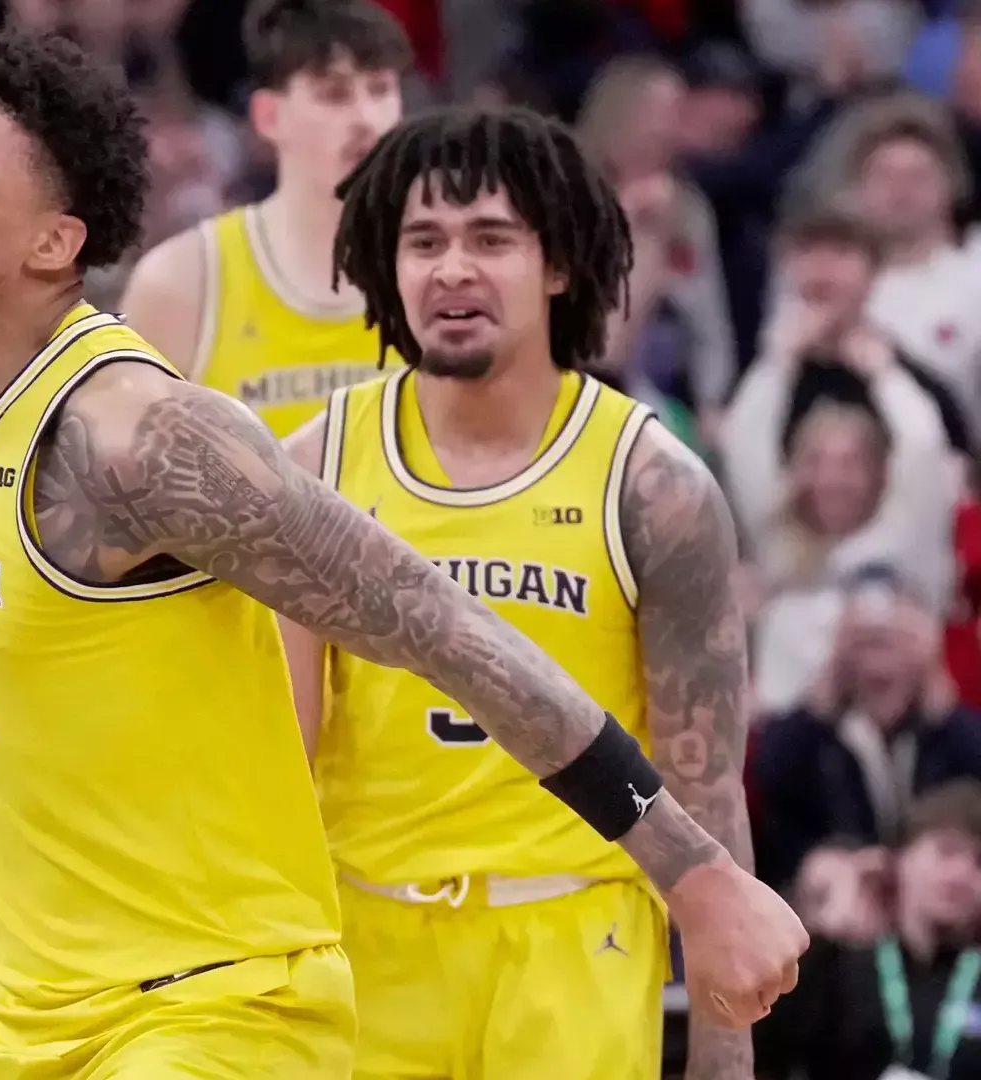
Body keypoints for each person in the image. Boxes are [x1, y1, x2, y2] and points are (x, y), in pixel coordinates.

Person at [0, 30, 806, 1078]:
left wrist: (694, 873)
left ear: (53, 243)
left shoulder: (150, 438)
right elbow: (8, 456)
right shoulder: (3, 419)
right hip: (29, 1019)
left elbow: (443, 624)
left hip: (210, 1012)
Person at [271, 104, 759, 1080]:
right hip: (364, 936)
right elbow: (280, 753)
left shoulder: (653, 487)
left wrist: (725, 1053)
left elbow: (704, 786)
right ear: (385, 264)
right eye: (424, 241)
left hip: (573, 939)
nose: (452, 268)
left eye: (491, 238)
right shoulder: (313, 465)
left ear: (557, 263)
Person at [120, 0, 406, 436]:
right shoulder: (181, 284)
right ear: (269, 116)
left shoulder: (440, 272)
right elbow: (126, 483)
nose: (366, 119)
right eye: (335, 94)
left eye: (381, 89)